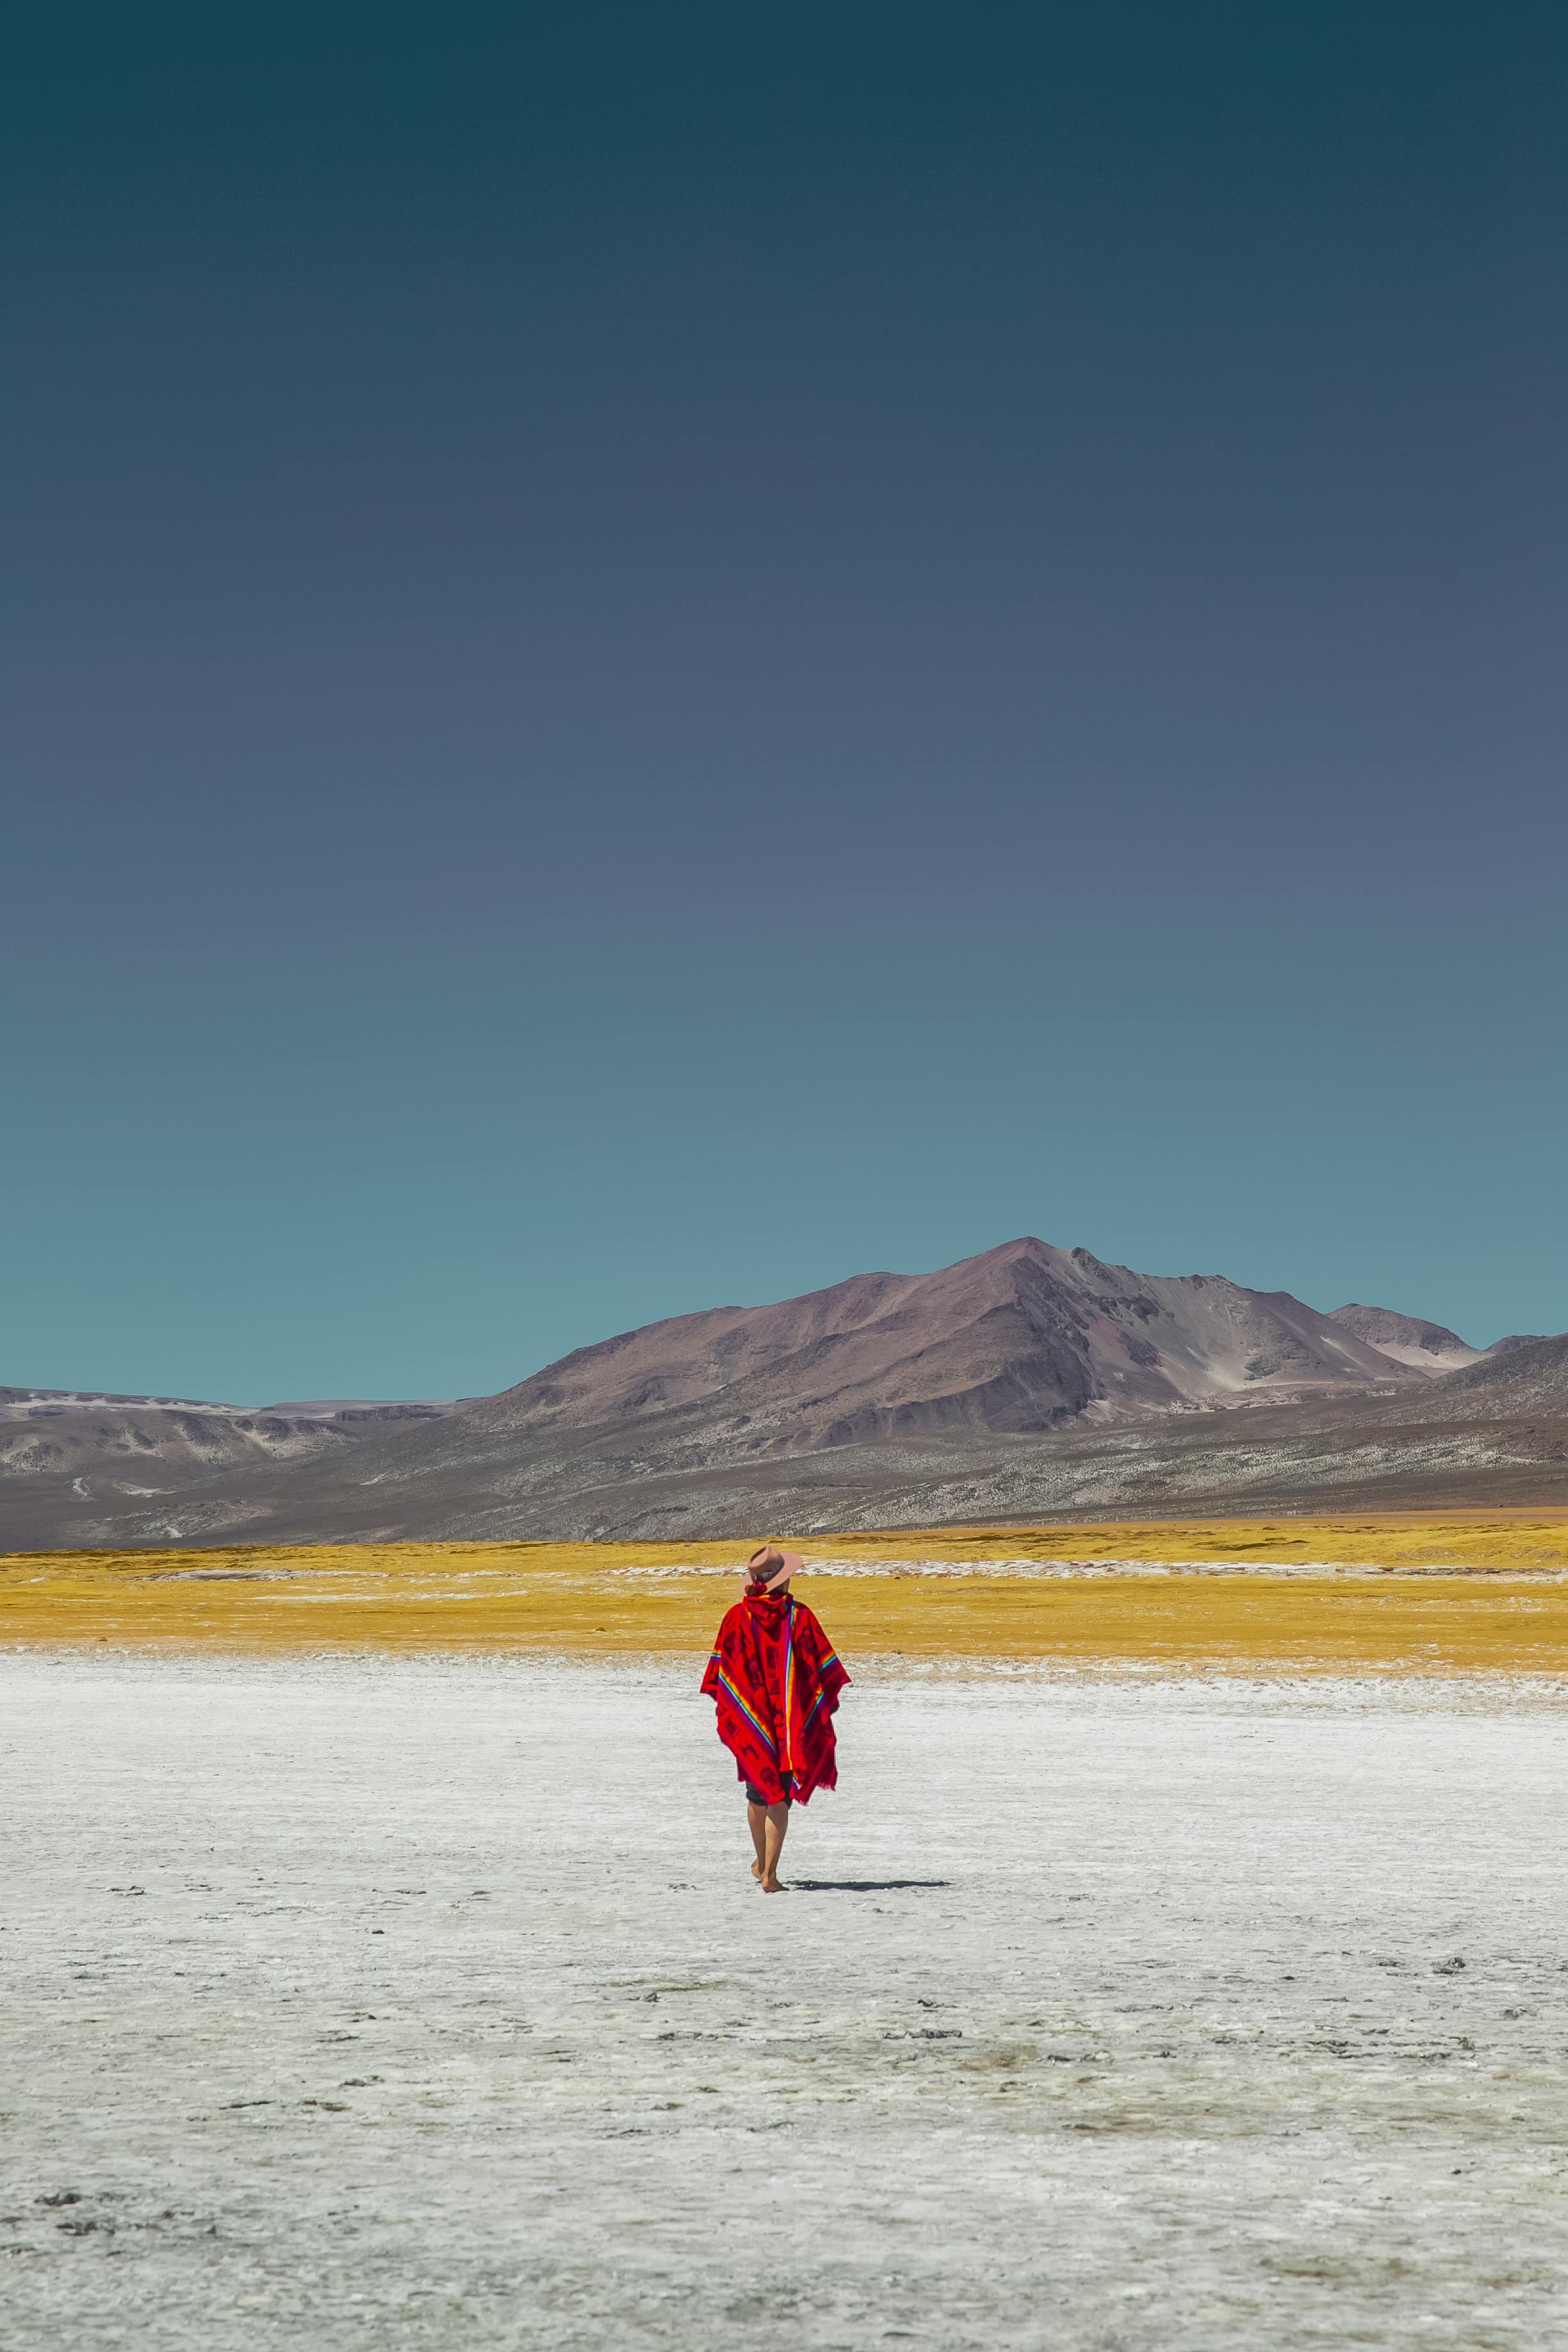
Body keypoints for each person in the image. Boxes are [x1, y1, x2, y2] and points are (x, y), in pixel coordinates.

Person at [701, 1543, 850, 1892]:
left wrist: (738, 1712)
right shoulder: (800, 1617)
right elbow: (822, 1670)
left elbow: (721, 1674)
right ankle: (769, 1874)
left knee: (757, 1794)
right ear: (782, 1581)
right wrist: (821, 1705)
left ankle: (762, 1864)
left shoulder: (736, 1619)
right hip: (790, 1724)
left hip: (751, 1726)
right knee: (778, 1798)